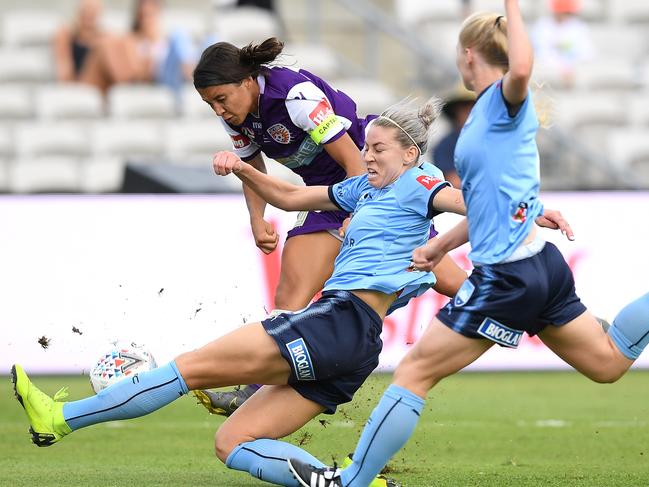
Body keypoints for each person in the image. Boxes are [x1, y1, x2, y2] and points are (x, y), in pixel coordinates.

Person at [12, 97, 472, 487]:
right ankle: (348, 484)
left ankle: (61, 419)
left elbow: (469, 205)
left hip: (339, 321)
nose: (366, 156)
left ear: (410, 154)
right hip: (354, 343)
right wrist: (241, 169)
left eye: (378, 149)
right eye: (365, 146)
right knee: (232, 442)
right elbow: (290, 198)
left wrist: (504, 222)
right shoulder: (364, 190)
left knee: (187, 369)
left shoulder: (420, 182)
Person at [287, 2, 649, 486]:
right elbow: (481, 203)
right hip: (540, 263)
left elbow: (520, 66)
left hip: (506, 277)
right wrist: (441, 247)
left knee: (412, 375)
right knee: (606, 364)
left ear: (469, 53)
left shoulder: (503, 99)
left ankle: (354, 482)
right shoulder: (483, 117)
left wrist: (512, 6)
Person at [191, 37, 468, 416]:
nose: (219, 109)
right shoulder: (236, 117)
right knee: (291, 292)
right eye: (211, 104)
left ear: (247, 81)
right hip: (327, 194)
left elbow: (354, 159)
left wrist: (365, 212)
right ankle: (258, 391)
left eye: (221, 98)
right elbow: (253, 170)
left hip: (375, 181)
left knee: (449, 280)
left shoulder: (295, 97)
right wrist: (257, 219)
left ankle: (520, 305)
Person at [79, 0, 196, 97]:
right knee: (179, 35)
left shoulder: (164, 40)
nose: (147, 20)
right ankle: (194, 75)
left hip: (172, 73)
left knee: (184, 37)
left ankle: (195, 74)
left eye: (151, 14)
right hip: (160, 78)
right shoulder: (131, 41)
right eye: (143, 15)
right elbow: (127, 74)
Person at [531, 0, 594, 88]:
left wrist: (569, 66)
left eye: (566, 12)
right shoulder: (542, 26)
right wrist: (559, 67)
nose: (563, 15)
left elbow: (587, 53)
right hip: (549, 69)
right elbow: (540, 52)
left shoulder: (578, 27)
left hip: (573, 68)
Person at [431, 83, 475, 188]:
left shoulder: (495, 140)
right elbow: (454, 181)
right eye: (465, 108)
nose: (470, 112)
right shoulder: (446, 145)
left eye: (473, 107)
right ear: (456, 112)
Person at [52, 0, 105, 82]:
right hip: (79, 81)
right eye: (86, 9)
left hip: (101, 83)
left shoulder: (104, 36)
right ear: (78, 11)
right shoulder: (66, 34)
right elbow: (64, 69)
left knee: (120, 42)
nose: (89, 13)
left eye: (93, 10)